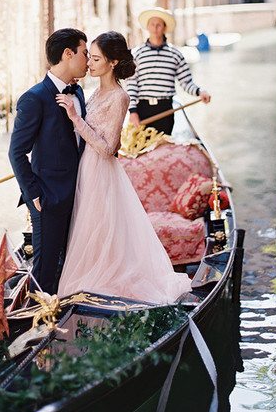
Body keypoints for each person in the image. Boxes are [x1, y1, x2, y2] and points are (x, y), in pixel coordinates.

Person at [56, 31, 191, 303]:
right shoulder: (93, 92)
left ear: (113, 62)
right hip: (85, 167)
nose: (89, 64)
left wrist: (75, 118)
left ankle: (103, 288)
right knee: (88, 230)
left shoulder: (120, 97)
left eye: (95, 59)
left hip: (100, 170)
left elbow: (108, 148)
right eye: (89, 58)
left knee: (100, 229)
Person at [8, 28, 89, 295]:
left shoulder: (78, 93)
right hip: (49, 199)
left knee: (72, 265)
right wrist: (34, 194)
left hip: (80, 195)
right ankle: (37, 324)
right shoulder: (34, 98)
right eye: (85, 53)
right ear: (68, 54)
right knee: (45, 271)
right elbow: (16, 153)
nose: (88, 60)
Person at [126, 7, 211, 135]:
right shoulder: (137, 54)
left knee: (163, 150)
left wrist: (200, 92)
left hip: (166, 110)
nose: (155, 28)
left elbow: (186, 82)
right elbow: (132, 85)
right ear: (147, 27)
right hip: (142, 109)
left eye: (158, 25)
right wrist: (132, 112)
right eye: (152, 25)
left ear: (165, 28)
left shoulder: (175, 54)